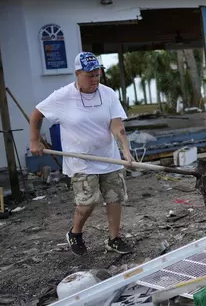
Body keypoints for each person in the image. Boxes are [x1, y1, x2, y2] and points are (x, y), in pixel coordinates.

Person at [29, 51, 133, 256]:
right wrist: (34, 141)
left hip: (109, 157)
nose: (94, 79)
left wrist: (126, 152)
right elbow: (37, 114)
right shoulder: (63, 96)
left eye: (97, 74)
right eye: (90, 75)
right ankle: (75, 233)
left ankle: (114, 239)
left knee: (114, 199)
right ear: (77, 74)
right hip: (81, 161)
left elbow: (117, 125)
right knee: (87, 203)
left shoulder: (108, 94)